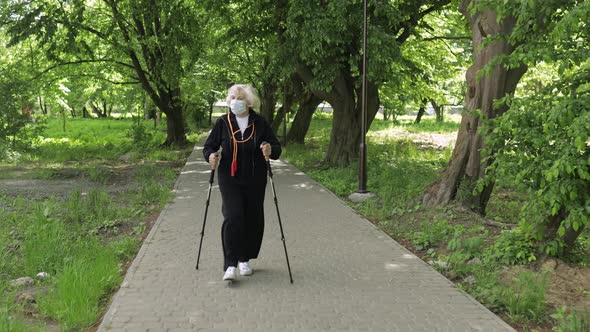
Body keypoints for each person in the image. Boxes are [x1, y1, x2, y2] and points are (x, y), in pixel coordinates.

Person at [203, 84, 282, 281]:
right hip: (229, 176)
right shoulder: (223, 122)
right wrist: (211, 155)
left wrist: (269, 149)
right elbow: (209, 147)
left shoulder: (260, 123)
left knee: (252, 218)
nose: (236, 101)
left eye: (240, 98)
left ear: (249, 102)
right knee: (233, 216)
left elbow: (277, 148)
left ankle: (244, 259)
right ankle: (230, 264)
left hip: (255, 177)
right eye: (232, 97)